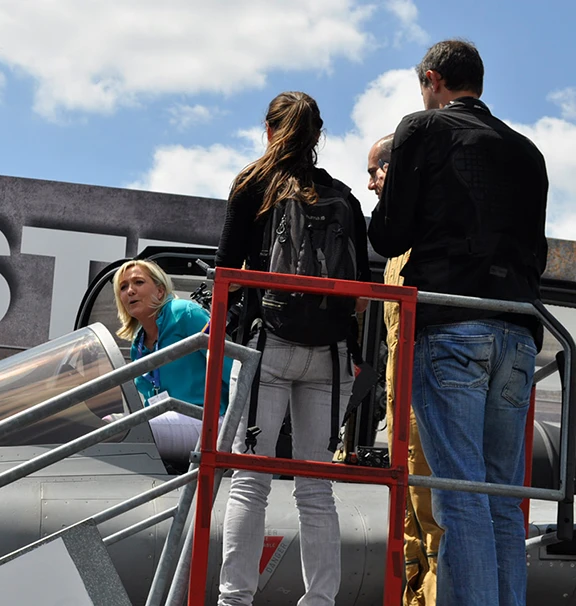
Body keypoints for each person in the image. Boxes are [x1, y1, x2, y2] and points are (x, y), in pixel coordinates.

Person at [368, 40, 548, 606]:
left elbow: (390, 235)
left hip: (451, 326)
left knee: (459, 496)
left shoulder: (421, 129)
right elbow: (537, 256)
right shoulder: (529, 152)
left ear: (432, 79)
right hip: (520, 333)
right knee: (499, 497)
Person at [215, 91, 370, 606]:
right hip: (330, 355)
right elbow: (363, 298)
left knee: (249, 480)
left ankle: (235, 599)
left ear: (268, 129)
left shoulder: (252, 185)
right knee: (316, 489)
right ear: (319, 136)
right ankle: (320, 601)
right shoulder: (345, 197)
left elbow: (228, 273)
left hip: (268, 346)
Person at [367, 133, 442, 606]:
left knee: (433, 519)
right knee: (408, 525)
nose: (370, 183)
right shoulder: (395, 250)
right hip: (399, 408)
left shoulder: (427, 240)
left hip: (426, 403)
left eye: (374, 172)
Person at [113, 259, 232, 462]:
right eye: (123, 287)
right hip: (168, 421)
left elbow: (231, 368)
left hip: (210, 422)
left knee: (118, 429)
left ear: (160, 291)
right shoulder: (138, 345)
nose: (130, 291)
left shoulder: (185, 313)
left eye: (138, 282)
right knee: (108, 424)